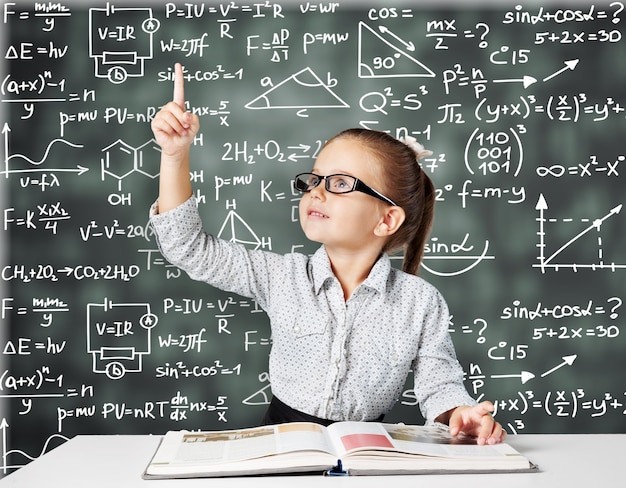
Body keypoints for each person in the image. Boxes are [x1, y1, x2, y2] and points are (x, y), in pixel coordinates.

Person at [149, 63, 506, 445]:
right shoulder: (282, 276)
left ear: (387, 219)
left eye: (339, 183)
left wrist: (461, 413)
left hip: (366, 450)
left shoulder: (420, 302)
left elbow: (440, 384)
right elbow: (187, 246)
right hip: (281, 442)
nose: (315, 192)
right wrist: (174, 155)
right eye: (313, 179)